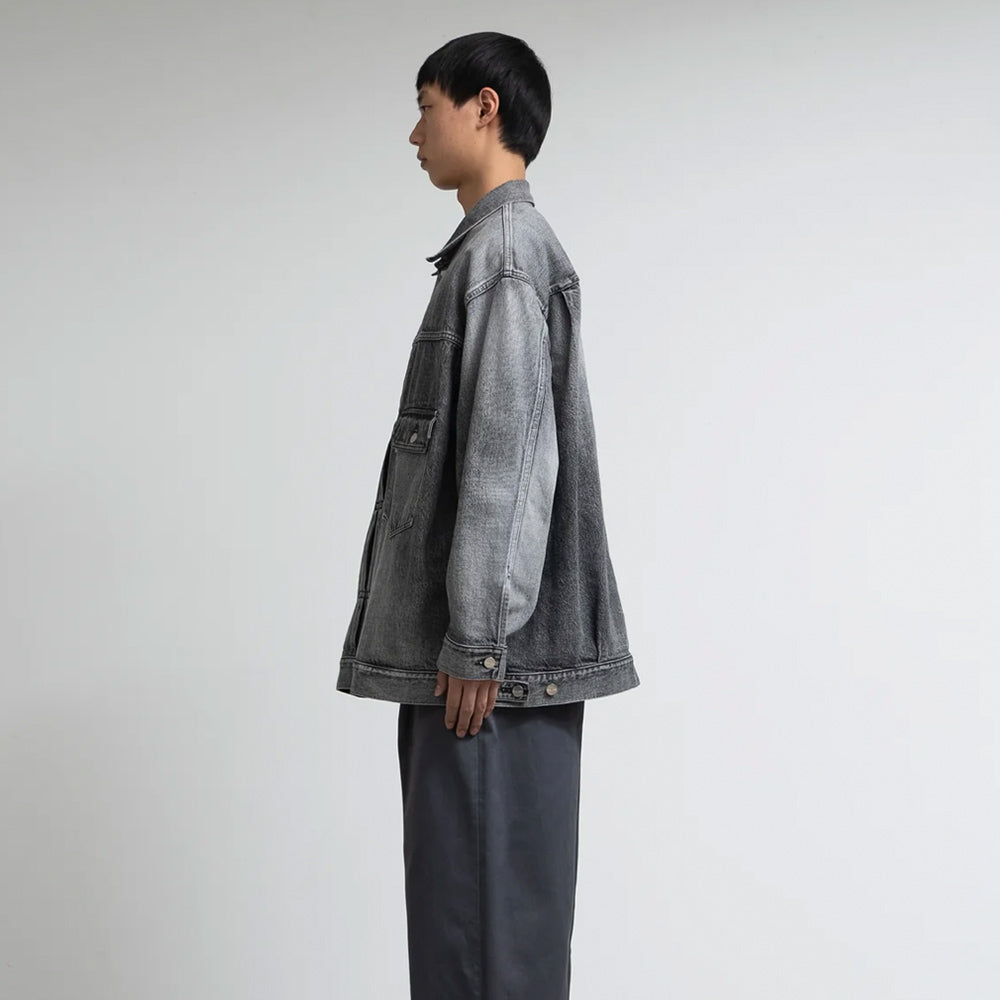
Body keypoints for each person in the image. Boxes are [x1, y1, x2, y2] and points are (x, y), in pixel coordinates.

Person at [337, 31, 640, 1000]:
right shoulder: (492, 252)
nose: (414, 133)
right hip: (486, 668)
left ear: (484, 107)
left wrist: (476, 640)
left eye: (426, 106)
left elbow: (507, 459)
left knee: (480, 944)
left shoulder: (503, 256)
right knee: (484, 934)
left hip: (482, 674)